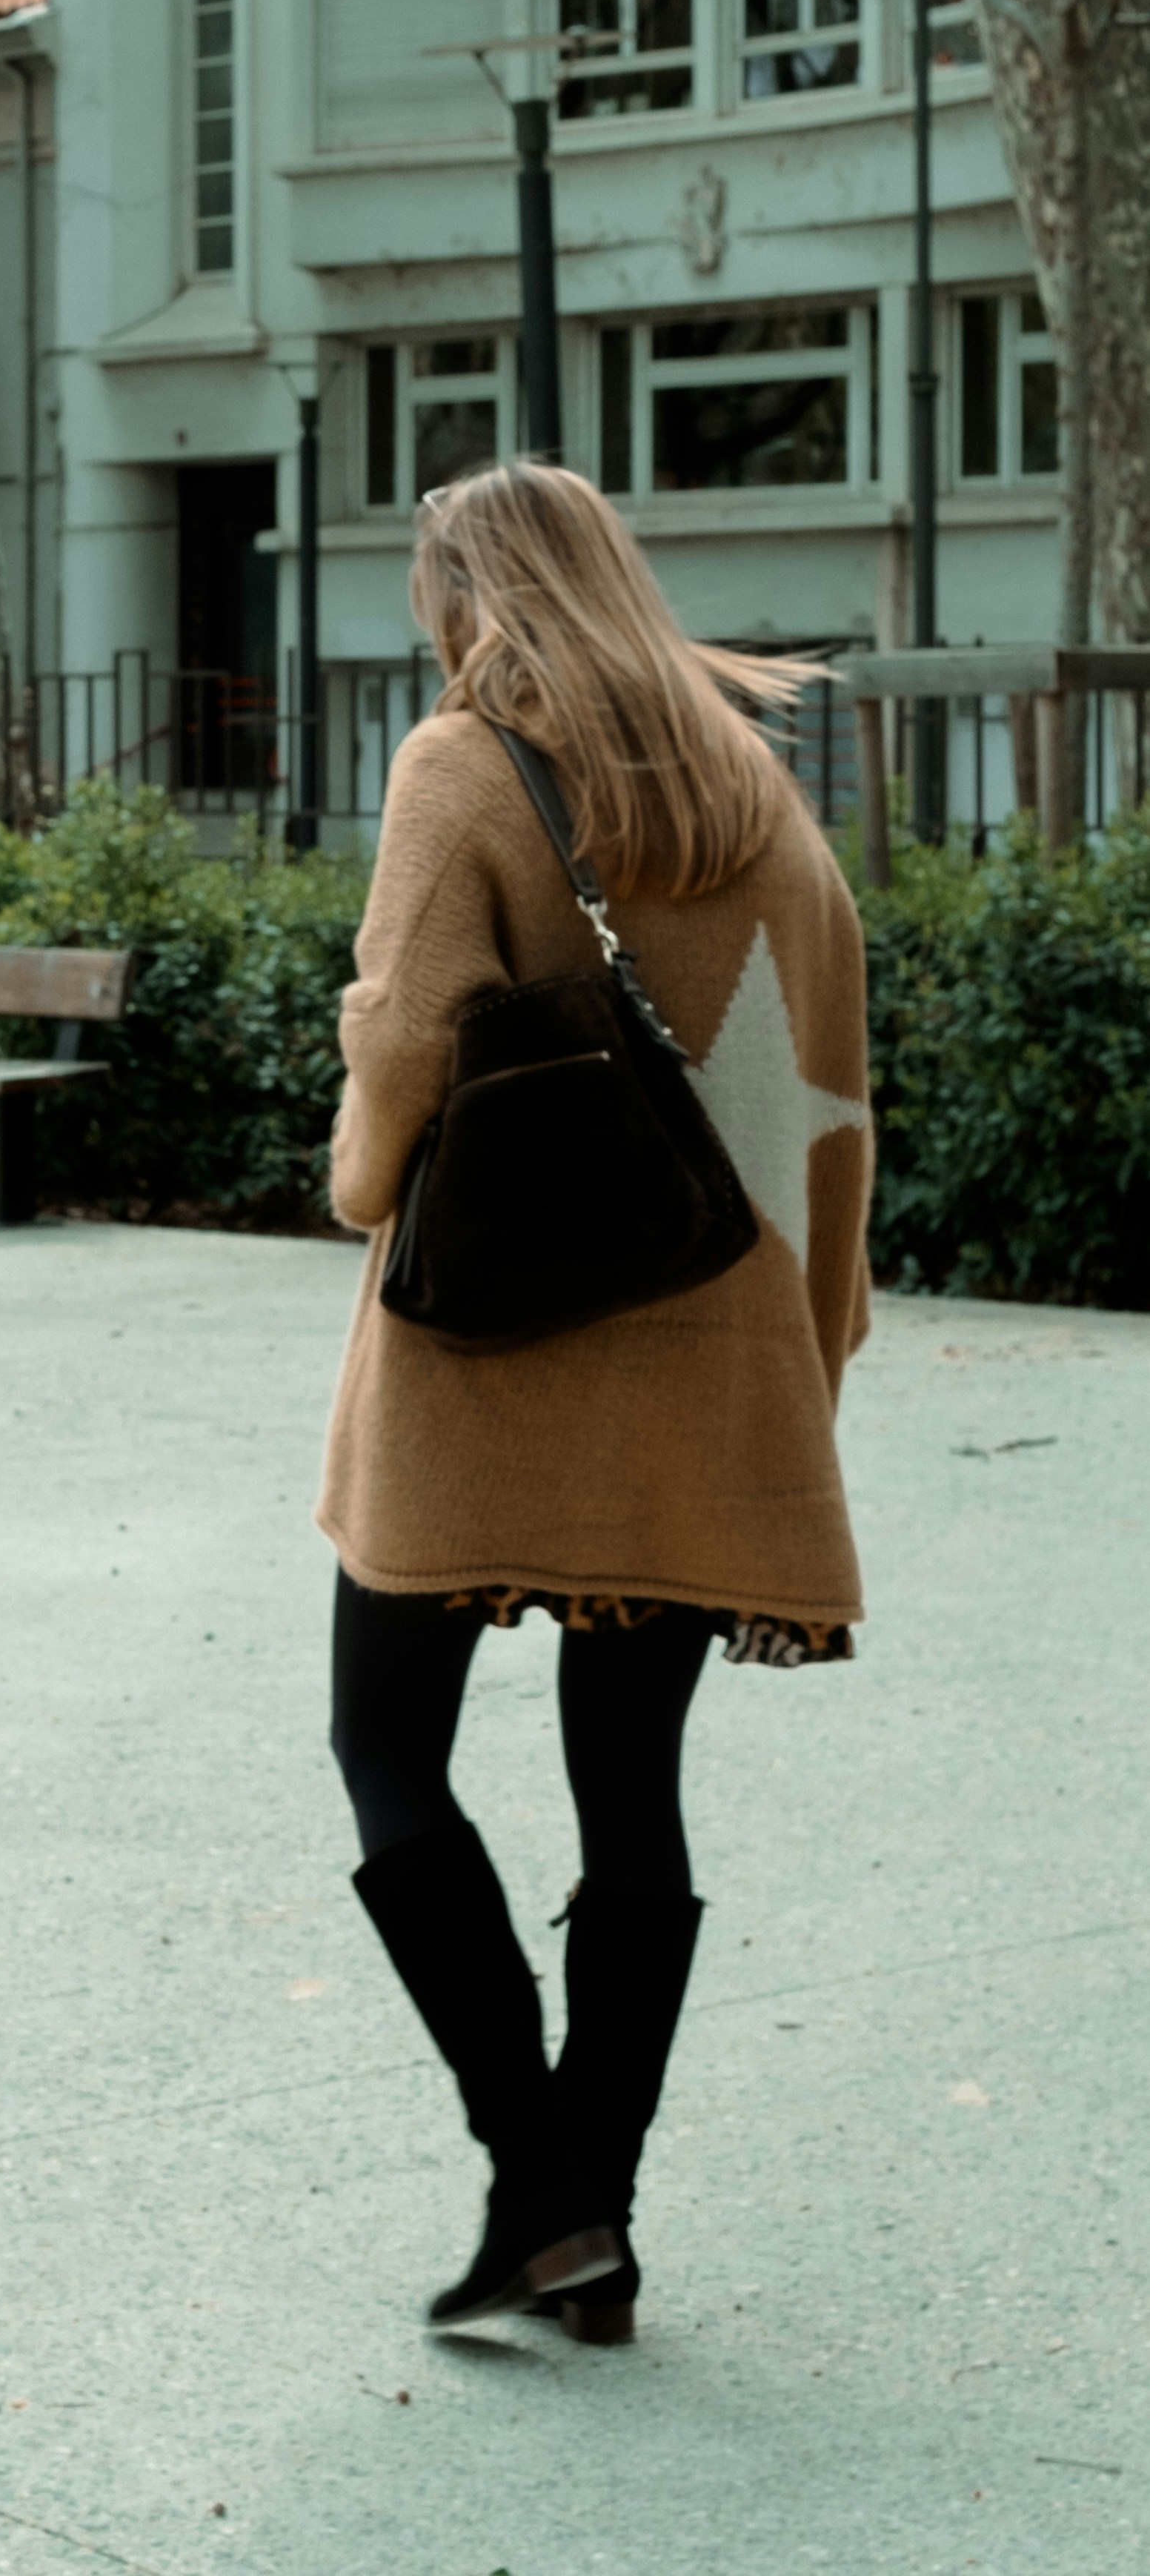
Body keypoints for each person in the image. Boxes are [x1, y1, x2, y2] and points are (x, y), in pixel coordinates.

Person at [321, 460, 871, 2341]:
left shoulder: (462, 766)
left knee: (388, 1743)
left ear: (462, 595)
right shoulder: (761, 795)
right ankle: (590, 2220)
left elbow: (403, 1036)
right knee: (629, 1787)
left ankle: (540, 2181)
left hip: (487, 1358)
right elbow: (834, 1100)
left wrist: (351, 1177)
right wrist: (810, 1350)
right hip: (715, 1363)